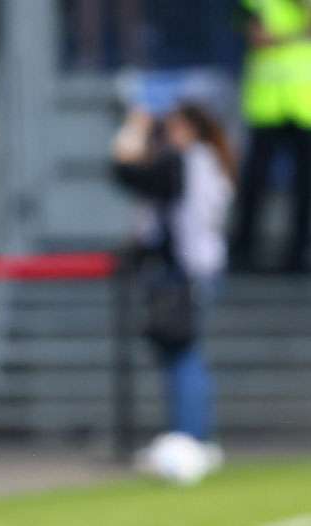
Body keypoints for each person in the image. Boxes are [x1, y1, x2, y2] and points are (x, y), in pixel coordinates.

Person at [112, 105, 235, 452]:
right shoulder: (207, 161)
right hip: (196, 266)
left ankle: (192, 438)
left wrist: (134, 127)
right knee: (180, 355)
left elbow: (124, 167)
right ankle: (190, 435)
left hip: (187, 270)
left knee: (184, 355)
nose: (167, 136)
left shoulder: (183, 162)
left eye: (174, 128)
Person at [232, 0, 311, 272]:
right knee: (255, 182)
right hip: (268, 104)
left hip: (308, 104)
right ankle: (243, 250)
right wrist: (303, 32)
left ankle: (301, 253)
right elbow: (259, 37)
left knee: (306, 186)